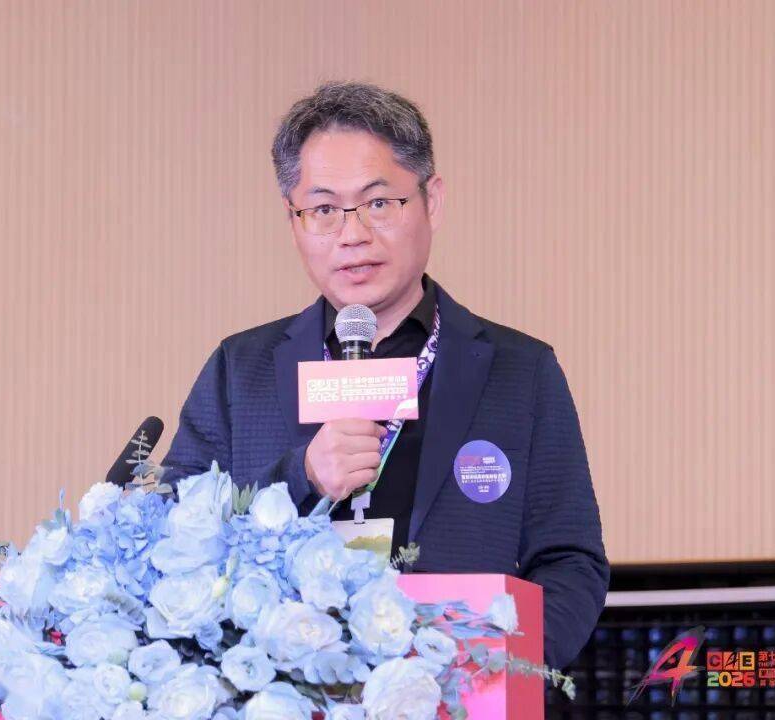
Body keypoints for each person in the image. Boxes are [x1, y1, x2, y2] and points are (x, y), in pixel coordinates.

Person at [162, 81, 609, 669]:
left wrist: (489, 672)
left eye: (378, 203)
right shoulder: (240, 370)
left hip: (457, 690)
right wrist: (300, 477)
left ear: (432, 201)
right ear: (293, 220)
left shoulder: (521, 373)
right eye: (324, 210)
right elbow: (176, 541)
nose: (353, 235)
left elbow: (571, 563)